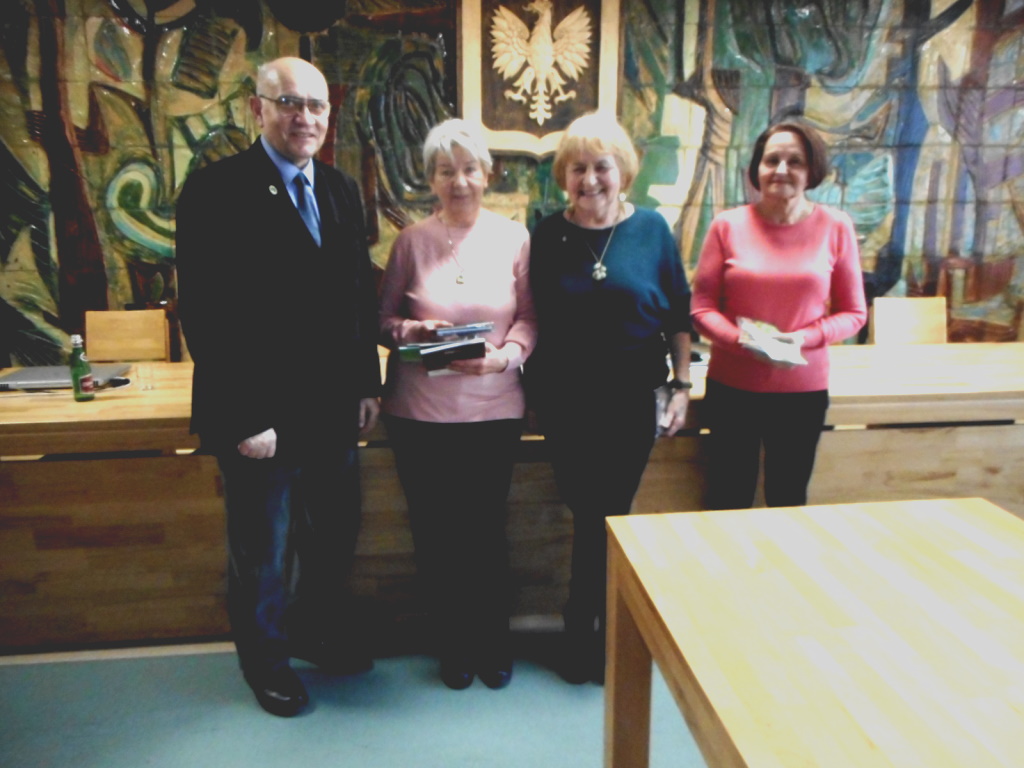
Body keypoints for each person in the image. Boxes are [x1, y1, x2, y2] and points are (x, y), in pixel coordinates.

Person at [175, 57, 381, 717]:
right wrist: (244, 416)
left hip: (332, 409)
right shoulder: (216, 189)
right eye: (289, 102)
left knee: (331, 536)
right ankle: (265, 663)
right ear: (256, 108)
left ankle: (314, 632)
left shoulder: (340, 189)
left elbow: (357, 295)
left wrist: (366, 383)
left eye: (317, 105)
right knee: (263, 548)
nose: (305, 117)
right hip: (260, 416)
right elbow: (205, 311)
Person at [529, 113, 693, 684]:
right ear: (564, 176)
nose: (590, 179)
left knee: (610, 515)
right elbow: (531, 314)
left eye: (602, 166)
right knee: (587, 511)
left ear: (623, 171)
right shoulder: (547, 235)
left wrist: (681, 384)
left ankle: (587, 630)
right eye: (578, 168)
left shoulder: (651, 230)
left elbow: (678, 313)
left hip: (631, 399)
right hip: (565, 401)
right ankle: (594, 630)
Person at [379, 118, 536, 691]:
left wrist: (506, 357)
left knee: (485, 532)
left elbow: (531, 318)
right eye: (446, 171)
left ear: (487, 174)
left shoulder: (516, 238)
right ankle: (453, 645)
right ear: (432, 180)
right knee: (435, 535)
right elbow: (382, 319)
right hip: (418, 415)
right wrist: (413, 331)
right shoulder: (410, 241)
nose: (459, 181)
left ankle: (493, 641)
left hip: (492, 412)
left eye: (470, 169)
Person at [690, 121, 867, 511]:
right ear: (757, 168)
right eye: (771, 160)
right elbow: (701, 308)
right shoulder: (727, 226)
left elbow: (853, 313)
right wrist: (742, 342)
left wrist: (803, 339)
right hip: (733, 389)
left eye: (795, 161)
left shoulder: (836, 227)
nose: (781, 170)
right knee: (727, 499)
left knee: (788, 500)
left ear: (812, 170)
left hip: (802, 393)